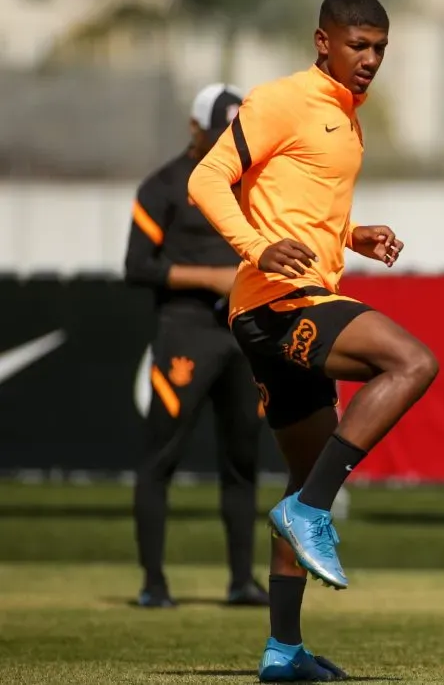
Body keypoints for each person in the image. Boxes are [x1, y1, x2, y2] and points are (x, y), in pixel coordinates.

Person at [188, 0, 438, 683]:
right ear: (322, 41)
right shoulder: (281, 99)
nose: (371, 60)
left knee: (304, 469)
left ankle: (282, 650)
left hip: (292, 299)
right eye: (359, 45)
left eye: (381, 48)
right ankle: (311, 510)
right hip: (275, 302)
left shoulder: (347, 120)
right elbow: (207, 181)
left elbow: (304, 205)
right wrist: (256, 247)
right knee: (413, 363)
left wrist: (355, 234)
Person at [124, 83, 270, 609]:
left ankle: (240, 581)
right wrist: (210, 278)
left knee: (242, 459)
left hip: (242, 336)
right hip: (185, 332)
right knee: (161, 457)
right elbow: (138, 267)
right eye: (215, 133)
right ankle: (154, 583)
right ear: (193, 128)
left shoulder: (251, 183)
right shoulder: (162, 186)